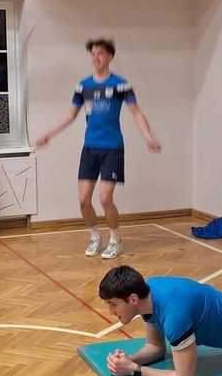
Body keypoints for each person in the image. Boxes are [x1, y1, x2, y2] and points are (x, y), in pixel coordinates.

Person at [36, 38, 160, 260]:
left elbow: (137, 113)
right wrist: (49, 134)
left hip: (112, 148)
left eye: (100, 54)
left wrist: (148, 137)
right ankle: (95, 237)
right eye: (92, 54)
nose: (96, 58)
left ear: (110, 56)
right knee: (83, 201)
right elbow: (70, 115)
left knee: (104, 198)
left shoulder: (121, 84)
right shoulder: (83, 86)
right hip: (90, 149)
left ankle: (115, 240)